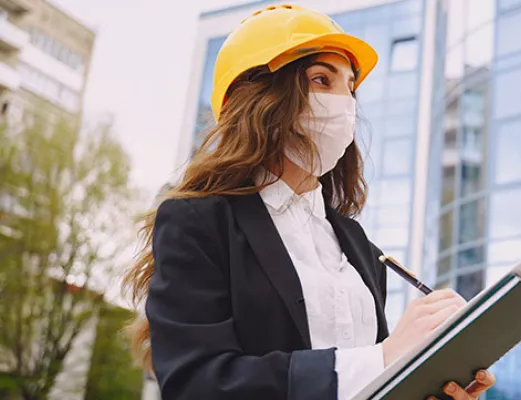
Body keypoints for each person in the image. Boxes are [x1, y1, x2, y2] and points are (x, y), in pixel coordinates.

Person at [122, 4, 496, 400]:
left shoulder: (361, 248)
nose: (344, 103)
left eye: (350, 87)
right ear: (258, 99)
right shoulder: (196, 222)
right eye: (322, 79)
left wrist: (426, 384)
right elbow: (196, 382)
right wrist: (383, 358)